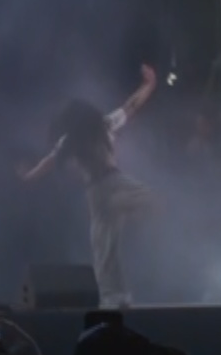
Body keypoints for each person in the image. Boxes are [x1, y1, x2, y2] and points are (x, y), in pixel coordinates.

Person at [20, 64, 158, 310]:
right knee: (106, 244)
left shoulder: (100, 126)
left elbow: (131, 106)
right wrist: (148, 85)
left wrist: (148, 85)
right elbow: (49, 162)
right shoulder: (81, 136)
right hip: (104, 188)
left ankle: (114, 294)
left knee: (107, 242)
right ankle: (115, 295)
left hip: (109, 185)